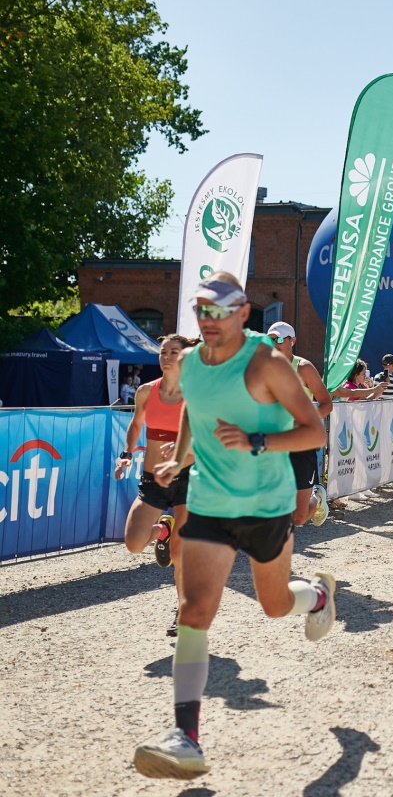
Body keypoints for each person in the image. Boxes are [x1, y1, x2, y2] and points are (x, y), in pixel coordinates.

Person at [133, 273, 334, 781]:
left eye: (220, 310)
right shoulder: (191, 366)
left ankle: (317, 597)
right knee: (194, 608)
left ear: (244, 312)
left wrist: (256, 440)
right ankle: (186, 737)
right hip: (208, 502)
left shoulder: (267, 362)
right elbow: (192, 417)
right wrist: (179, 462)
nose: (209, 319)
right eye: (202, 310)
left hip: (265, 507)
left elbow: (313, 429)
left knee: (274, 605)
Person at [116, 334, 194, 637]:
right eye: (164, 352)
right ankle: (163, 529)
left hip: (189, 478)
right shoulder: (147, 391)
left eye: (174, 352)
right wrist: (126, 454)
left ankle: (182, 613)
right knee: (134, 544)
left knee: (180, 555)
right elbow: (136, 424)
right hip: (152, 480)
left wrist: (179, 452)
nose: (167, 356)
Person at [267, 322, 333, 527]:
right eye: (269, 339)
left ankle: (318, 497)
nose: (273, 343)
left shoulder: (303, 367)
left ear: (292, 341)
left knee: (300, 518)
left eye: (278, 339)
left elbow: (326, 404)